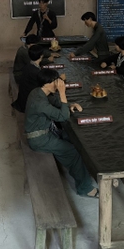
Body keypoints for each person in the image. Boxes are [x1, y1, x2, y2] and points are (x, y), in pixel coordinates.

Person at [24, 69, 98, 198]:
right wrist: (63, 93)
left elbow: (55, 102)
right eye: (56, 81)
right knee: (72, 152)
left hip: (47, 132)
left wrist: (69, 105)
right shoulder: (39, 102)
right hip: (40, 139)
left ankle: (84, 171)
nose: (59, 84)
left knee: (73, 139)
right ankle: (85, 188)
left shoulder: (38, 92)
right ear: (48, 83)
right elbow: (63, 116)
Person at [12, 44, 44, 113]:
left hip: (23, 99)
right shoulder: (36, 72)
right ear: (41, 56)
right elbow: (44, 85)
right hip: (28, 103)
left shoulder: (28, 66)